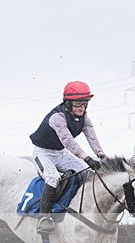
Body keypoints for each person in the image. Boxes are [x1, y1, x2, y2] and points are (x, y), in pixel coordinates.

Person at [30, 81, 106, 233]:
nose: (82, 107)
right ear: (68, 103)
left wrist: (100, 154)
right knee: (52, 178)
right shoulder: (57, 118)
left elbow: (92, 137)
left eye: (85, 103)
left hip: (60, 153)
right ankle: (44, 217)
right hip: (42, 153)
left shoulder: (85, 118)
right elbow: (68, 141)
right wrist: (86, 158)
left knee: (88, 173)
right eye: (78, 104)